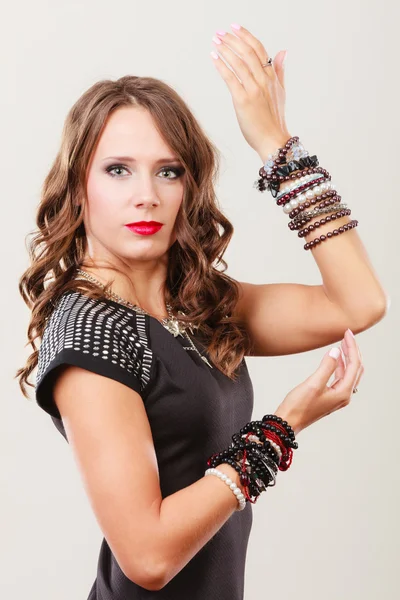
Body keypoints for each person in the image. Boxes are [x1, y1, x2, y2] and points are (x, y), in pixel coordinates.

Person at [16, 25, 386, 600]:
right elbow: (148, 556)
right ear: (78, 185)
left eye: (169, 171)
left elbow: (357, 302)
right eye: (118, 169)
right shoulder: (90, 330)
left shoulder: (199, 301)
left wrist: (276, 148)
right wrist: (280, 431)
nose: (148, 195)